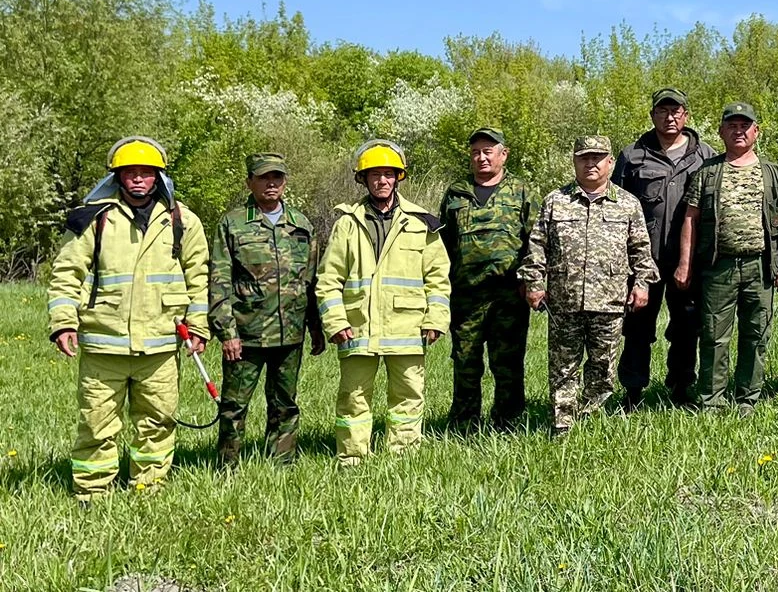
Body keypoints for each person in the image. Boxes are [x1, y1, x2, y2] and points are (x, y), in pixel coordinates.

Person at [47, 137, 209, 500]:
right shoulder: (94, 217)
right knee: (96, 423)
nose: (138, 178)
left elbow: (199, 278)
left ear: (158, 177)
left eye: (145, 172)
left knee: (157, 422)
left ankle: (148, 489)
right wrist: (63, 321)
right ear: (117, 176)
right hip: (104, 342)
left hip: (161, 345)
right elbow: (66, 272)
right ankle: (92, 493)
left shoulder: (182, 220)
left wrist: (198, 326)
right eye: (130, 172)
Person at [316, 140, 451, 465]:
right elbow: (328, 279)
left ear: (398, 177)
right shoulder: (347, 224)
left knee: (408, 397)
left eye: (388, 174)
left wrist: (436, 319)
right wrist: (335, 322)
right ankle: (352, 459)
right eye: (374, 174)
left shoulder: (421, 223)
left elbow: (438, 278)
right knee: (353, 398)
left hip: (408, 329)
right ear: (363, 179)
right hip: (357, 330)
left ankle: (402, 459)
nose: (382, 181)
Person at [520, 136, 658, 435]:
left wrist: (642, 284)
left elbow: (640, 251)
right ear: (574, 161)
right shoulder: (556, 201)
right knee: (563, 366)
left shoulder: (627, 204)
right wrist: (534, 282)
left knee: (602, 367)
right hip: (565, 300)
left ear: (610, 162)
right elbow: (537, 247)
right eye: (584, 157)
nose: (591, 163)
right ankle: (562, 425)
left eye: (597, 158)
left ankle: (589, 418)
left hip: (609, 302)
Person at [676, 103, 778, 415]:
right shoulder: (708, 172)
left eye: (745, 126)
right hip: (719, 268)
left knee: (756, 335)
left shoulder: (772, 173)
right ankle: (711, 400)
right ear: (721, 132)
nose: (738, 131)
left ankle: (747, 398)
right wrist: (685, 264)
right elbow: (690, 218)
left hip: (760, 267)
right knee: (714, 336)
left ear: (756, 131)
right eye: (732, 125)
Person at [210, 152, 323, 466]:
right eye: (263, 178)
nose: (271, 183)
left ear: (285, 182)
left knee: (285, 405)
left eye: (277, 177)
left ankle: (281, 464)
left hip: (290, 333)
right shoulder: (233, 224)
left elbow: (311, 281)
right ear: (250, 182)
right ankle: (227, 467)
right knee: (234, 406)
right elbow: (219, 282)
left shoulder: (301, 225)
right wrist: (227, 333)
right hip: (247, 335)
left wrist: (315, 327)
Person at [614, 89, 717, 409]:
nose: (669, 117)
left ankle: (681, 387)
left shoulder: (705, 156)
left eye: (676, 111)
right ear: (652, 115)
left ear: (686, 115)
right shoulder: (633, 156)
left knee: (687, 326)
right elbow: (616, 207)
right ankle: (632, 391)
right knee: (637, 327)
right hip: (643, 260)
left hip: (689, 259)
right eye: (663, 111)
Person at [439, 127, 538, 429]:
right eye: (475, 152)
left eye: (487, 151)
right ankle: (464, 424)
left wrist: (531, 282)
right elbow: (442, 244)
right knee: (465, 362)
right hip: (466, 296)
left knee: (507, 364)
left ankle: (509, 421)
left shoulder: (522, 191)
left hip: (508, 296)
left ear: (503, 155)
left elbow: (536, 241)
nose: (481, 157)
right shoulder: (456, 193)